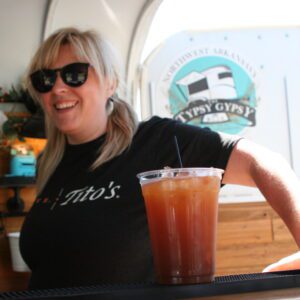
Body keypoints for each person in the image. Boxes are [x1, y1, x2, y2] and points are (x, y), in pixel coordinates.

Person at [20, 27, 300, 290]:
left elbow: (261, 162)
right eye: (45, 79)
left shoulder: (156, 142)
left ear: (110, 82)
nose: (57, 88)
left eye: (74, 74)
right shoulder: (49, 162)